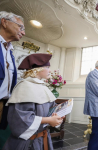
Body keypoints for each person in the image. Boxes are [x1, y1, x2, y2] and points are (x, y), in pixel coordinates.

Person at [2, 53, 63, 150]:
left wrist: (57, 115)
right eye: (47, 67)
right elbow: (21, 119)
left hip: (42, 139)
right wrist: (48, 120)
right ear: (37, 70)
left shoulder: (42, 86)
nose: (50, 70)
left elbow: (51, 108)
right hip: (28, 142)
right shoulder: (24, 87)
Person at [0, 11, 25, 149]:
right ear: (4, 22)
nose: (23, 32)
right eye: (20, 27)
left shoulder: (9, 50)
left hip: (4, 103)